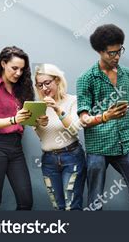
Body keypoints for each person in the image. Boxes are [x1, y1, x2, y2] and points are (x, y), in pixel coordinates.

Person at [77, 24, 129, 210]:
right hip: (98, 148)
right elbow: (83, 120)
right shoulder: (86, 79)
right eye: (112, 53)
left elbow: (128, 111)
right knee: (94, 204)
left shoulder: (128, 76)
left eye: (120, 51)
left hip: (126, 144)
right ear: (100, 51)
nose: (117, 56)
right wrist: (105, 116)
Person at [0, 46, 34, 210]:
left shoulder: (21, 89)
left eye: (22, 69)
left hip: (16, 148)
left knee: (26, 202)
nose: (18, 73)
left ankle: (14, 235)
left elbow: (27, 120)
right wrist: (14, 119)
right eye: (14, 68)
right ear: (3, 63)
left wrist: (39, 120)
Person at [33, 64, 86, 210]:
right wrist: (38, 124)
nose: (44, 88)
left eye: (47, 83)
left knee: (72, 206)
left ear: (57, 80)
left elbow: (75, 129)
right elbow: (41, 137)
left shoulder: (72, 100)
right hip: (48, 160)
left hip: (72, 157)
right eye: (39, 85)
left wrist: (57, 108)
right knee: (58, 207)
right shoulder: (38, 107)